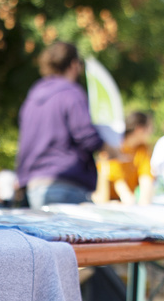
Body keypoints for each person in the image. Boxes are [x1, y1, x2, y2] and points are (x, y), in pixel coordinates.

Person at [15, 41, 116, 206]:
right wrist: (109, 148)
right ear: (74, 64)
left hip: (32, 185)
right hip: (66, 183)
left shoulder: (32, 98)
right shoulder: (71, 93)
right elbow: (86, 135)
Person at [94, 110, 155, 204]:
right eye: (150, 128)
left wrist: (144, 202)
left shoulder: (142, 149)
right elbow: (117, 180)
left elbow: (145, 177)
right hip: (106, 200)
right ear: (139, 129)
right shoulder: (114, 144)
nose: (152, 132)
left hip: (125, 202)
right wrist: (128, 199)